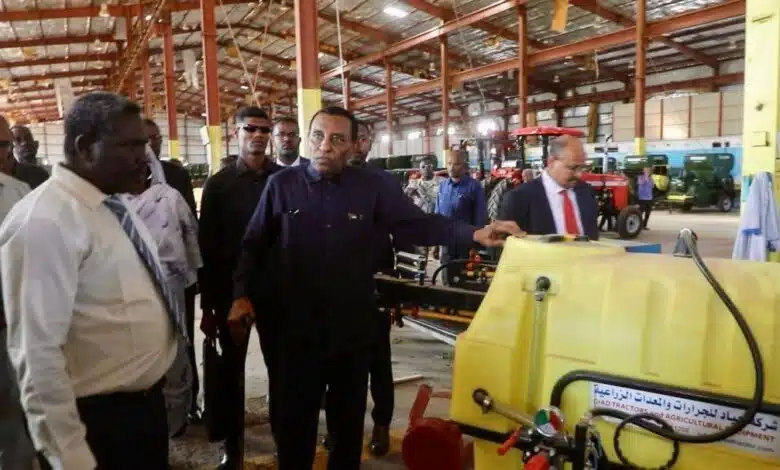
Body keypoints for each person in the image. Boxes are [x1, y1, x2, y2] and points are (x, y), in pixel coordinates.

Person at [229, 106, 522, 470]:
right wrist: (240, 295)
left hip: (352, 330)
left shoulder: (372, 188)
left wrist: (474, 233)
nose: (325, 146)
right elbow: (254, 244)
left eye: (337, 139)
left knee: (347, 427)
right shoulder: (282, 186)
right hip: (296, 332)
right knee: (295, 428)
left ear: (354, 146)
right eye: (318, 136)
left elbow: (416, 224)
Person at [0, 91, 182, 470]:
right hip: (97, 425)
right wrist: (70, 455)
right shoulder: (46, 221)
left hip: (141, 410)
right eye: (130, 146)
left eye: (144, 144)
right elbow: (36, 353)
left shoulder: (110, 204)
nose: (144, 156)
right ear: (86, 148)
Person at [198, 106, 280, 469]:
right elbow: (207, 248)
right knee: (231, 374)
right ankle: (233, 448)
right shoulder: (219, 186)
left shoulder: (283, 180)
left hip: (278, 294)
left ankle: (286, 439)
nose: (258, 135)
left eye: (264, 129)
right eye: (251, 129)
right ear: (236, 134)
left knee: (283, 371)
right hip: (232, 298)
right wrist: (209, 307)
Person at [122, 149, 202, 438]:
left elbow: (191, 240)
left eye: (141, 164)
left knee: (174, 354)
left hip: (171, 288)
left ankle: (175, 422)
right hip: (125, 293)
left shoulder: (169, 198)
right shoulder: (108, 203)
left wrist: (191, 280)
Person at [144, 118, 202, 423]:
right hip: (139, 283)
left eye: (155, 137)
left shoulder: (174, 179)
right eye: (144, 138)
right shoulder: (116, 184)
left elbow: (190, 226)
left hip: (177, 277)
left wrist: (194, 274)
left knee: (182, 340)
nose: (151, 144)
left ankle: (189, 404)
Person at [0, 116, 35, 470]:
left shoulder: (19, 193)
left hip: (13, 318)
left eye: (4, 145)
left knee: (14, 402)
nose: (4, 153)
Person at [498, 135, 599, 240]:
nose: (579, 174)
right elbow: (504, 244)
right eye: (572, 168)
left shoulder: (586, 192)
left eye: (582, 167)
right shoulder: (519, 198)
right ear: (551, 161)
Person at [434, 150, 487, 285]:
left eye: (456, 164)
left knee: (462, 281)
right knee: (446, 279)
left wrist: (475, 245)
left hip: (465, 244)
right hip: (446, 242)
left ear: (464, 166)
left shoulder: (474, 186)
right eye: (449, 163)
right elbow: (437, 213)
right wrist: (435, 243)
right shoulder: (443, 186)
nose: (452, 167)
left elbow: (480, 216)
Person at [0, 120, 48, 189]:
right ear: (10, 145)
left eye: (28, 138)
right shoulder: (5, 175)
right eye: (18, 140)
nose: (24, 143)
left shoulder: (40, 174)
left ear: (35, 144)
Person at [637, 165, 654, 230]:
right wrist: (646, 176)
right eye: (646, 170)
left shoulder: (650, 178)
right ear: (643, 171)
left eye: (648, 170)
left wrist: (651, 179)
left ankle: (644, 225)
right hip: (642, 198)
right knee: (640, 212)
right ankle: (638, 225)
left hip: (649, 198)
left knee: (648, 213)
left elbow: (652, 186)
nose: (648, 171)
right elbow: (642, 183)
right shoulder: (640, 177)